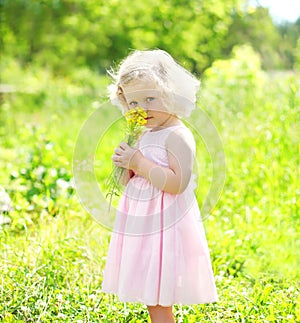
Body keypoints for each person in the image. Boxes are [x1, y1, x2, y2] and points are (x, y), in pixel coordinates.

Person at [101, 49, 218, 323]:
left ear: (171, 94)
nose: (141, 108)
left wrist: (140, 162)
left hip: (165, 227)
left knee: (157, 297)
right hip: (142, 226)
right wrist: (125, 164)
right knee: (149, 292)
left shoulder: (177, 135)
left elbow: (178, 183)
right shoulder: (143, 133)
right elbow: (127, 181)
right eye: (133, 102)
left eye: (150, 98)